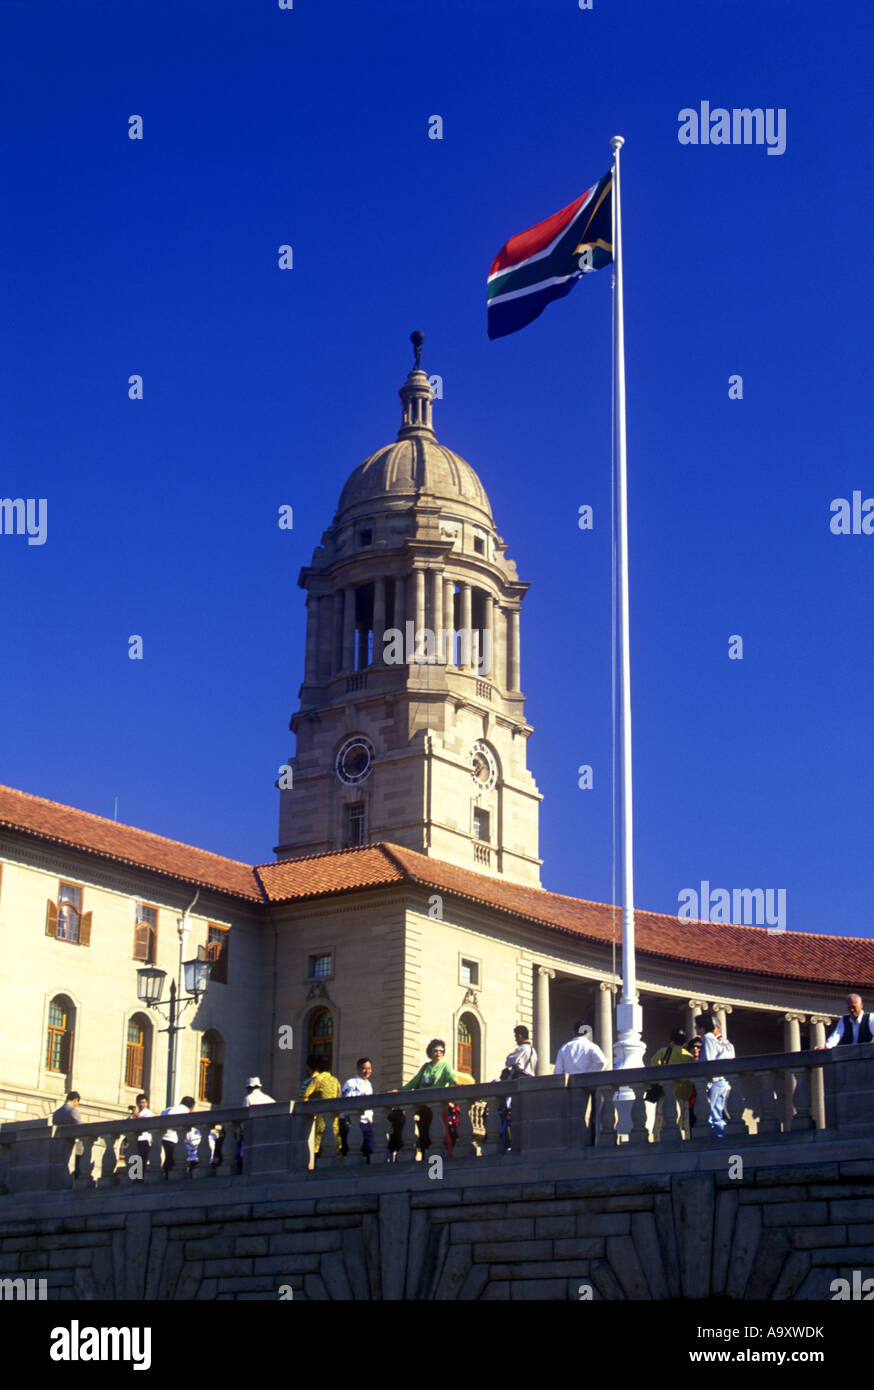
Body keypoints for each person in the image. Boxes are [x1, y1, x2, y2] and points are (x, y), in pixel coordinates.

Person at [402, 1039, 458, 1155]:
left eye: (441, 1051)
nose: (438, 1053)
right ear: (430, 1052)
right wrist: (399, 1090)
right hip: (423, 1106)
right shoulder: (425, 1067)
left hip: (438, 1106)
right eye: (435, 1050)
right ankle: (425, 1158)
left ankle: (449, 1156)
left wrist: (457, 1083)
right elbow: (415, 1082)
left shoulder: (445, 1066)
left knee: (442, 1133)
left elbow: (451, 1077)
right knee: (424, 1133)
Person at [648, 1028, 693, 1139]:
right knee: (683, 1127)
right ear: (685, 1043)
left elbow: (653, 1071)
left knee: (661, 1127)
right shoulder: (688, 1057)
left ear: (671, 1040)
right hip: (683, 1097)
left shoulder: (663, 1052)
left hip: (665, 1096)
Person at [497, 1025, 537, 1151]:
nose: (516, 1039)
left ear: (520, 1036)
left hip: (520, 1081)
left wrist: (510, 1056)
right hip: (530, 1080)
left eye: (516, 1036)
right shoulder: (533, 1050)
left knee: (516, 1114)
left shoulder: (522, 1049)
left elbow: (509, 1061)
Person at [694, 1012, 734, 1137]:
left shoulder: (708, 1038)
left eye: (697, 1026)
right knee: (718, 1112)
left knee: (714, 1114)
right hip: (724, 1081)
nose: (695, 1028)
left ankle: (719, 1137)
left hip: (716, 1081)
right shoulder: (726, 1043)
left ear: (703, 1027)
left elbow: (709, 1061)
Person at [301, 1054, 342, 1162]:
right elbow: (339, 1097)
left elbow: (305, 1094)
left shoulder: (318, 1079)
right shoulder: (335, 1080)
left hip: (319, 1120)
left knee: (317, 1152)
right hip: (333, 1121)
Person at [340, 1058, 375, 1163]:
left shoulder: (368, 1084)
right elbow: (345, 1101)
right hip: (353, 1121)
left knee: (370, 1149)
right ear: (358, 1069)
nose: (366, 1071)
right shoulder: (351, 1083)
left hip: (366, 1122)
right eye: (364, 1068)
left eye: (369, 1068)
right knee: (352, 1150)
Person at [160, 1095, 198, 1178]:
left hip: (163, 1137)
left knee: (167, 1159)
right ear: (191, 1107)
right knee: (172, 1160)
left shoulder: (169, 1109)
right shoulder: (184, 1110)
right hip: (173, 1138)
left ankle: (166, 1175)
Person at [52, 1090, 85, 1178]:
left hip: (58, 1144)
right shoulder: (72, 1111)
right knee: (77, 1167)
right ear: (75, 1100)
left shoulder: (56, 1113)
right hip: (73, 1145)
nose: (77, 1105)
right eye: (78, 1102)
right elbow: (81, 1128)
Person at [134, 1093, 154, 1170]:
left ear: (147, 1103)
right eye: (140, 1102)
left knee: (142, 1161)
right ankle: (135, 1178)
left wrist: (137, 1116)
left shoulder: (148, 1113)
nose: (141, 1104)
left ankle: (140, 1179)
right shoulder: (136, 1114)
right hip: (136, 1140)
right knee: (135, 1161)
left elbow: (145, 1124)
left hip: (144, 1140)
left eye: (143, 1102)